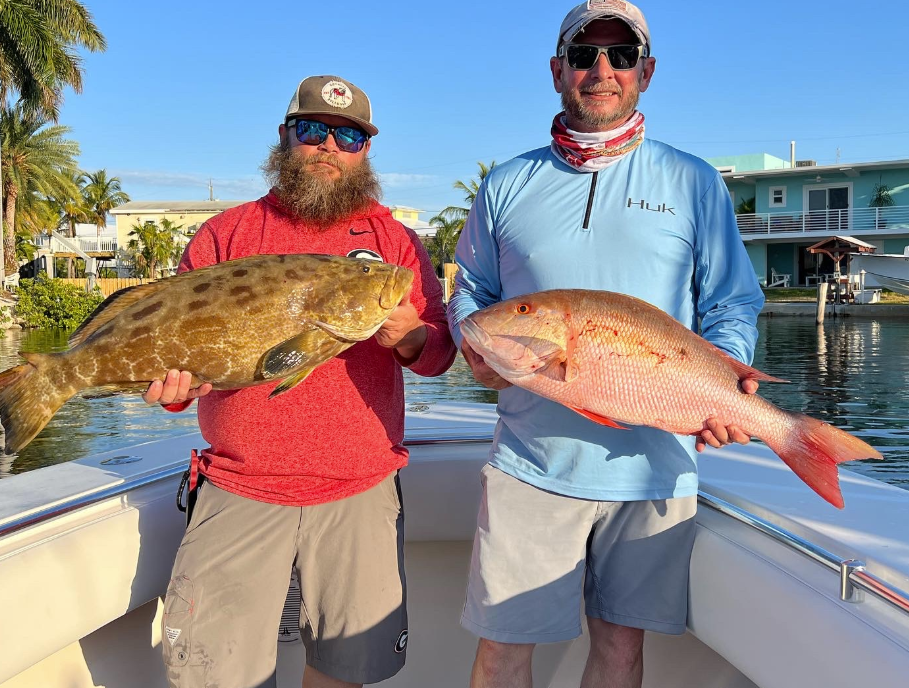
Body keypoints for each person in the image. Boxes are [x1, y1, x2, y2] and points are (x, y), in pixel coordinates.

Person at [447, 3, 765, 687]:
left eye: (621, 55)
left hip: (656, 467)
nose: (601, 70)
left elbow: (731, 303)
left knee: (621, 650)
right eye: (584, 54)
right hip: (530, 465)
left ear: (644, 73)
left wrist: (725, 386)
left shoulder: (692, 180)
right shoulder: (507, 183)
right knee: (502, 651)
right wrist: (471, 345)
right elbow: (470, 288)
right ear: (556, 70)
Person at [143, 74, 456, 688]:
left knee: (342, 676)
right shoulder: (225, 235)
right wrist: (176, 389)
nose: (328, 148)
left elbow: (439, 348)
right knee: (215, 676)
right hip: (238, 485)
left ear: (366, 150)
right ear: (286, 137)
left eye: (348, 137)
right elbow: (173, 346)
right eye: (313, 131)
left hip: (359, 491)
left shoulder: (397, 244)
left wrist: (412, 338)